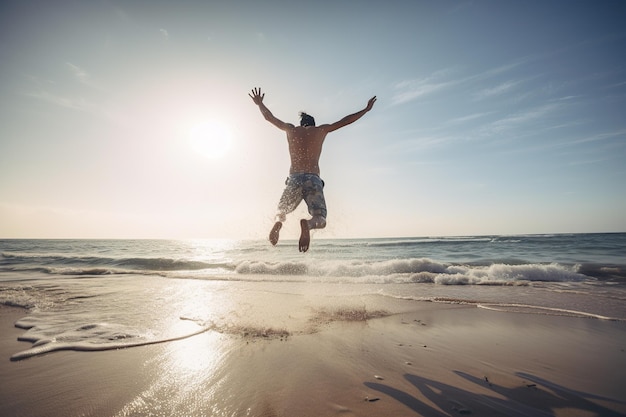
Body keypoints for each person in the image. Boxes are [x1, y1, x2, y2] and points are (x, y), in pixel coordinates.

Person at [249, 87, 377, 252]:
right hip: (313, 178)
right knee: (320, 218)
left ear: (301, 124)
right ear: (313, 124)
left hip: (293, 178)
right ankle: (308, 224)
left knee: (281, 210)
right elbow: (345, 121)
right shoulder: (320, 130)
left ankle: (278, 222)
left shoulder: (290, 129)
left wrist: (260, 104)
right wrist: (366, 110)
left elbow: (269, 118)